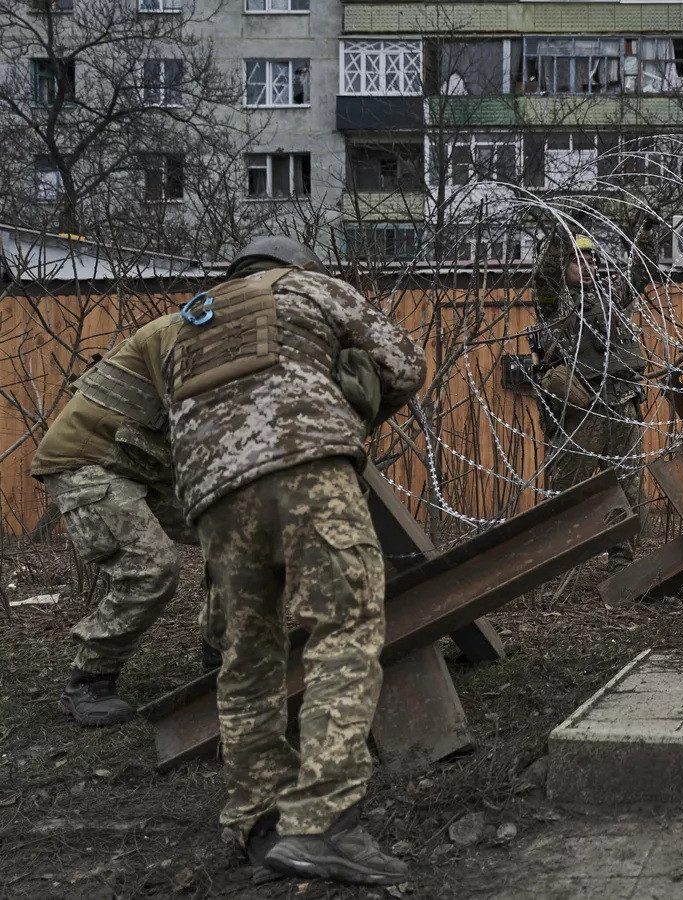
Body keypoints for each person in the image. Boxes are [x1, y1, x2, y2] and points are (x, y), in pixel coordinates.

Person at [166, 236, 427, 885]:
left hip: (216, 499)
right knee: (345, 626)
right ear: (293, 265)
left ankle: (260, 822)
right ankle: (322, 824)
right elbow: (403, 362)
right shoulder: (305, 287)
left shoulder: (186, 327)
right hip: (306, 467)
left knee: (247, 655)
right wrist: (358, 408)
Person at [31, 312, 197, 726]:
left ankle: (222, 652)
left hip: (140, 463)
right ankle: (89, 680)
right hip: (86, 461)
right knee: (152, 568)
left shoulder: (242, 333)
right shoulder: (184, 330)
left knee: (237, 535)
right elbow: (201, 414)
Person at [532, 226, 657, 571]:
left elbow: (641, 272)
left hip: (621, 401)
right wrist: (562, 231)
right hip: (582, 408)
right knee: (569, 488)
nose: (586, 265)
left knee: (628, 483)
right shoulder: (553, 301)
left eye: (590, 258)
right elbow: (545, 273)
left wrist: (647, 231)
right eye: (577, 259)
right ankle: (555, 564)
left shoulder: (609, 296)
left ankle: (622, 561)